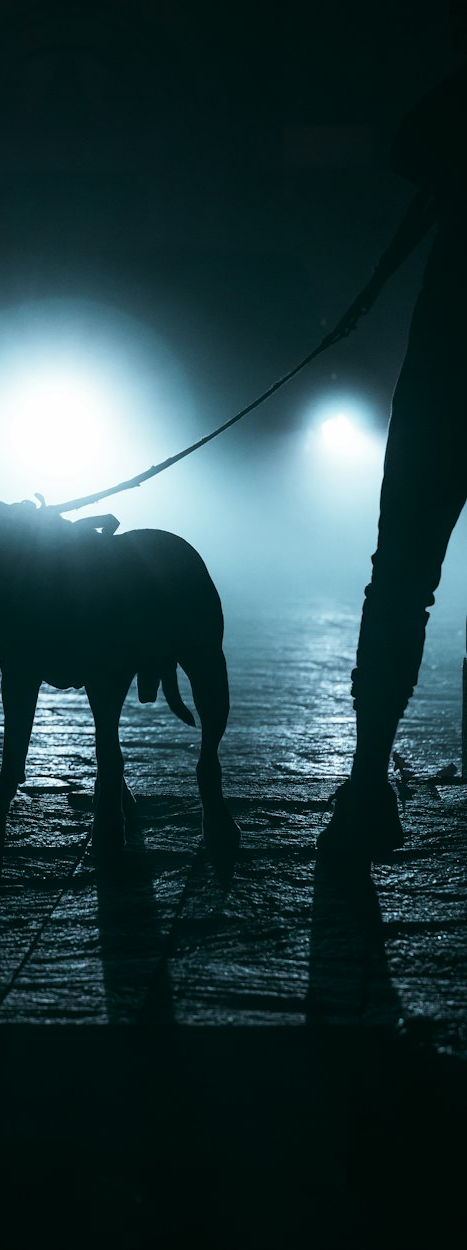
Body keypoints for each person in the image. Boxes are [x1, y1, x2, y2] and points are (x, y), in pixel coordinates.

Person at [319, 3, 467, 862]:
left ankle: (369, 777)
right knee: (401, 580)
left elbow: (411, 155)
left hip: (443, 380)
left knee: (401, 580)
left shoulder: (455, 120)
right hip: (441, 379)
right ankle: (369, 776)